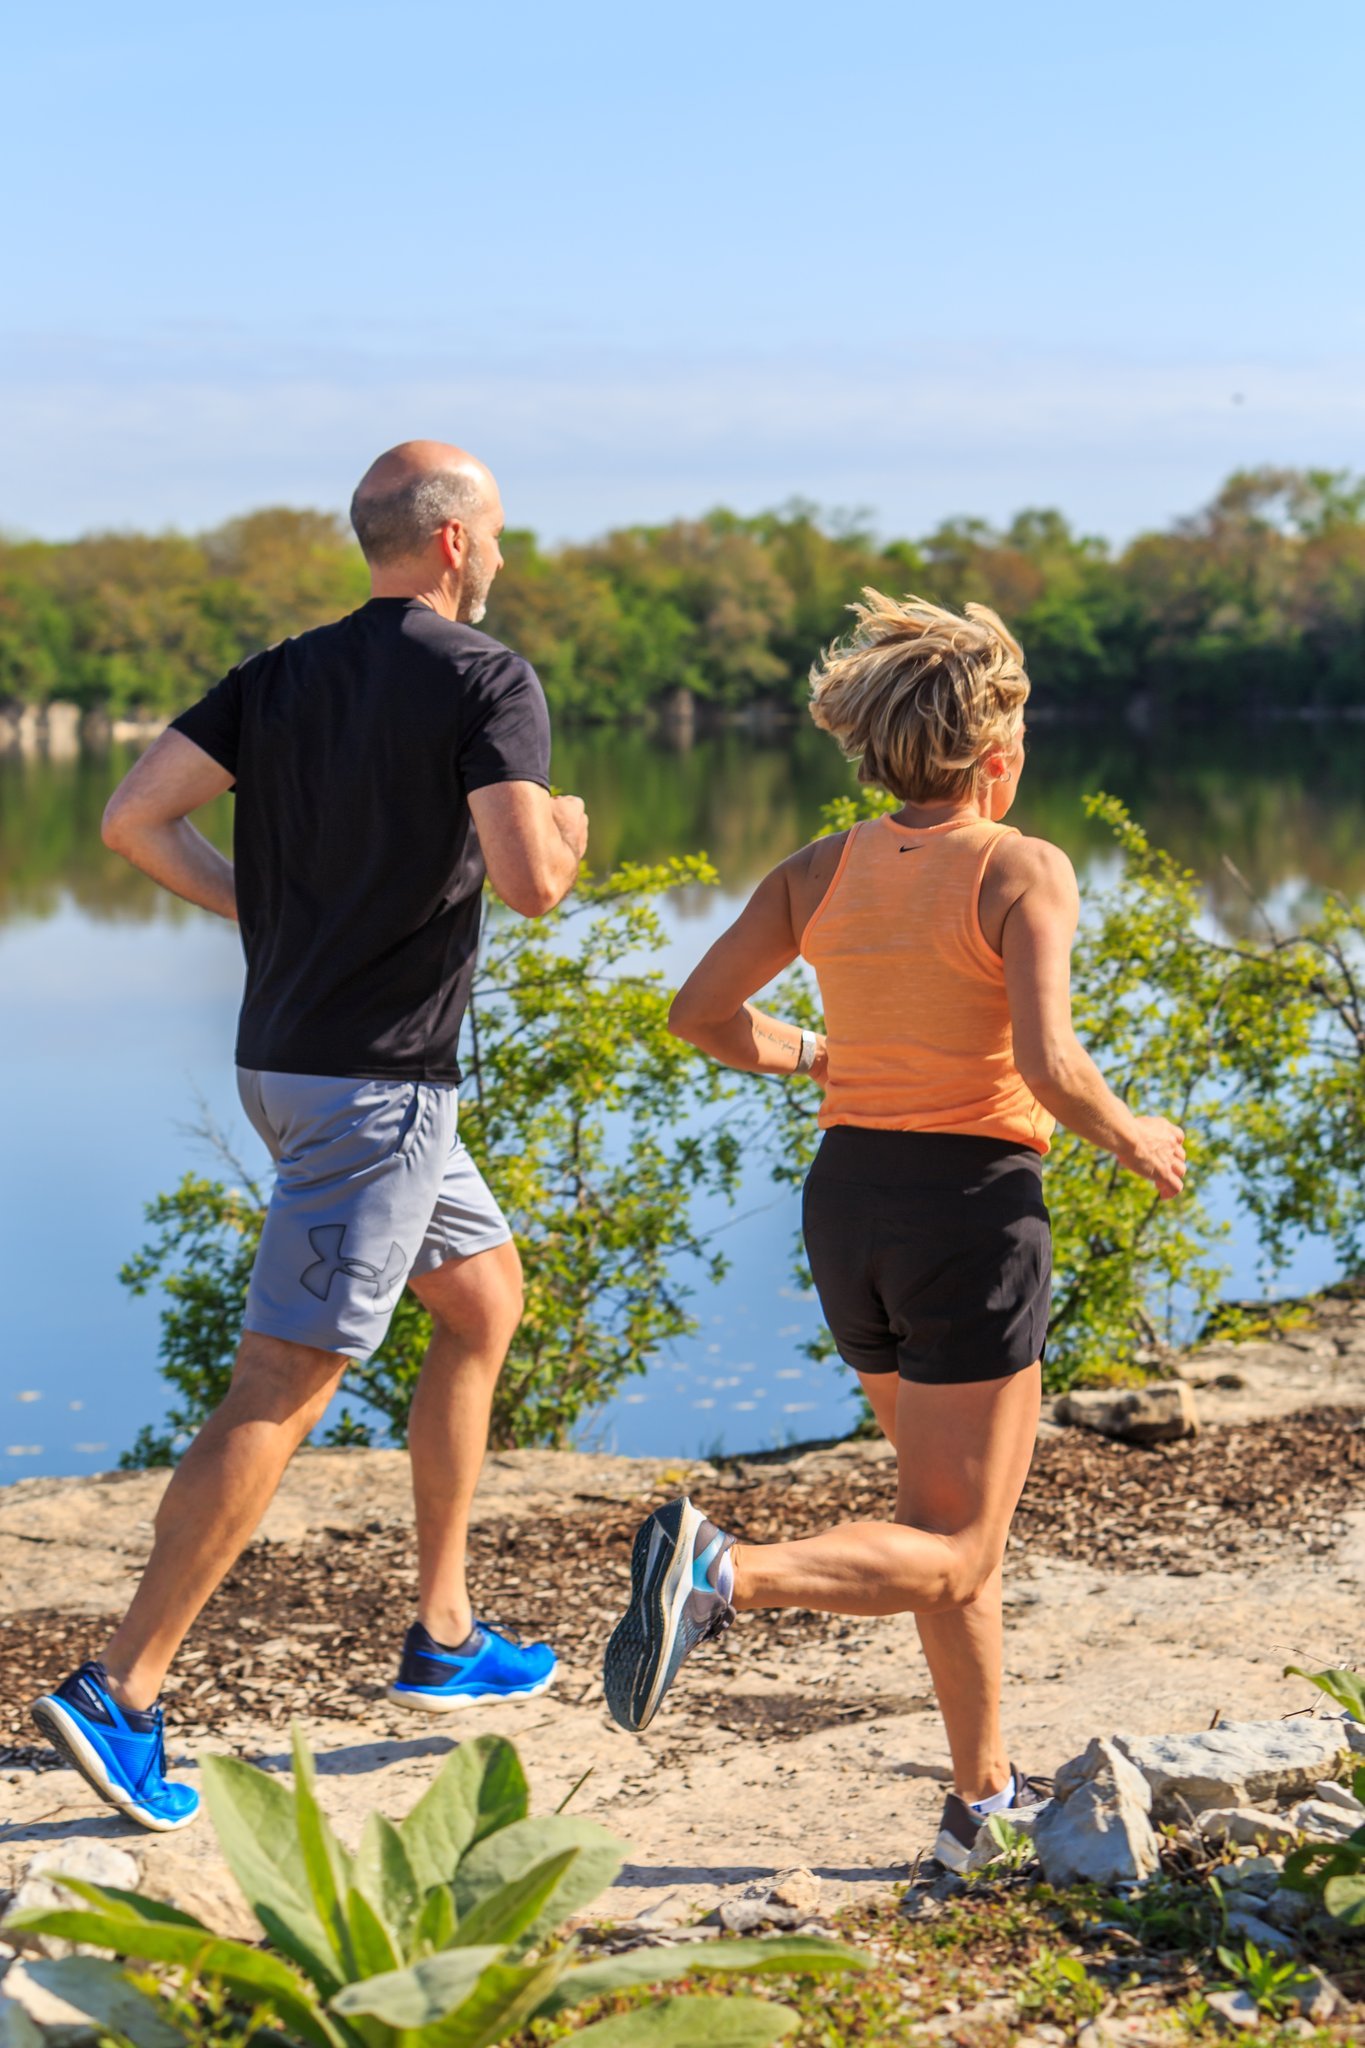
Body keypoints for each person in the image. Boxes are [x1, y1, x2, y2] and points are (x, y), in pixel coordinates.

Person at [32, 441, 589, 1831]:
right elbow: (530, 885)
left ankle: (445, 1634)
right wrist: (570, 824)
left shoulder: (281, 671)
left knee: (482, 1300)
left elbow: (130, 821)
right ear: (455, 543)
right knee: (283, 1383)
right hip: (375, 1090)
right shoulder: (487, 678)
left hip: (290, 1066)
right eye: (501, 535)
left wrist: (263, 914)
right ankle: (124, 1689)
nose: (506, 558)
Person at [602, 590, 1186, 1869]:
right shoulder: (1021, 864)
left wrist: (821, 1050)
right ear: (996, 756)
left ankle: (982, 1801)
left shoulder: (820, 870)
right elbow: (1048, 1055)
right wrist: (1135, 1132)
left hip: (849, 1200)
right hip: (968, 1207)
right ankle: (721, 1574)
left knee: (933, 1527)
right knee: (961, 1539)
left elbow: (699, 1013)